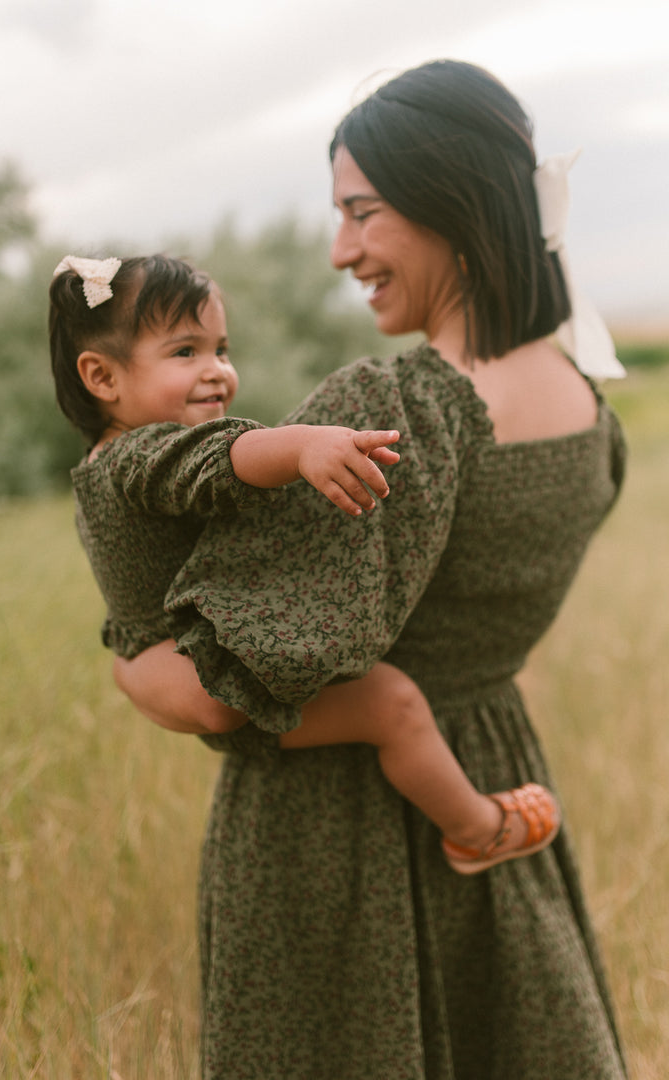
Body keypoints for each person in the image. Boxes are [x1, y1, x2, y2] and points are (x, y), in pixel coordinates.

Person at [113, 61, 629, 1079]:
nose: (342, 248)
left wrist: (135, 661)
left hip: (336, 835)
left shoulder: (392, 409)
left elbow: (221, 691)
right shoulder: (589, 408)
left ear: (455, 208)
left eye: (364, 211)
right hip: (483, 778)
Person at [50, 252, 560, 877]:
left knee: (381, 702)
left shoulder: (123, 456)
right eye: (186, 352)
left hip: (186, 664)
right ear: (102, 378)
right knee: (392, 704)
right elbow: (216, 456)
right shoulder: (130, 459)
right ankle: (477, 829)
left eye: (222, 349)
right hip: (186, 672)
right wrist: (302, 445)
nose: (217, 372)